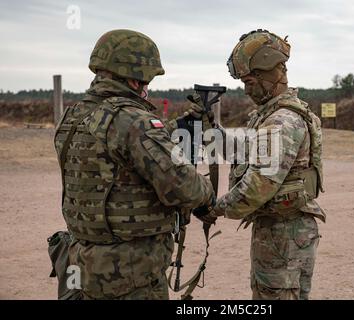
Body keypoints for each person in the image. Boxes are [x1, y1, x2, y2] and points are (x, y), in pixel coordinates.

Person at [53, 29, 214, 300]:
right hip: (129, 273)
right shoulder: (133, 120)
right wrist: (208, 194)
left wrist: (174, 128)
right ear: (133, 77)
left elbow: (117, 156)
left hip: (82, 263)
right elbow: (185, 187)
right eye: (146, 79)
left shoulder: (72, 117)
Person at [197, 29, 326, 300]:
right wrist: (212, 130)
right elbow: (243, 154)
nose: (246, 89)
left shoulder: (281, 122)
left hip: (284, 236)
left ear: (271, 74)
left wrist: (215, 208)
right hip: (279, 232)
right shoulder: (271, 117)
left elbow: (257, 186)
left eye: (250, 81)